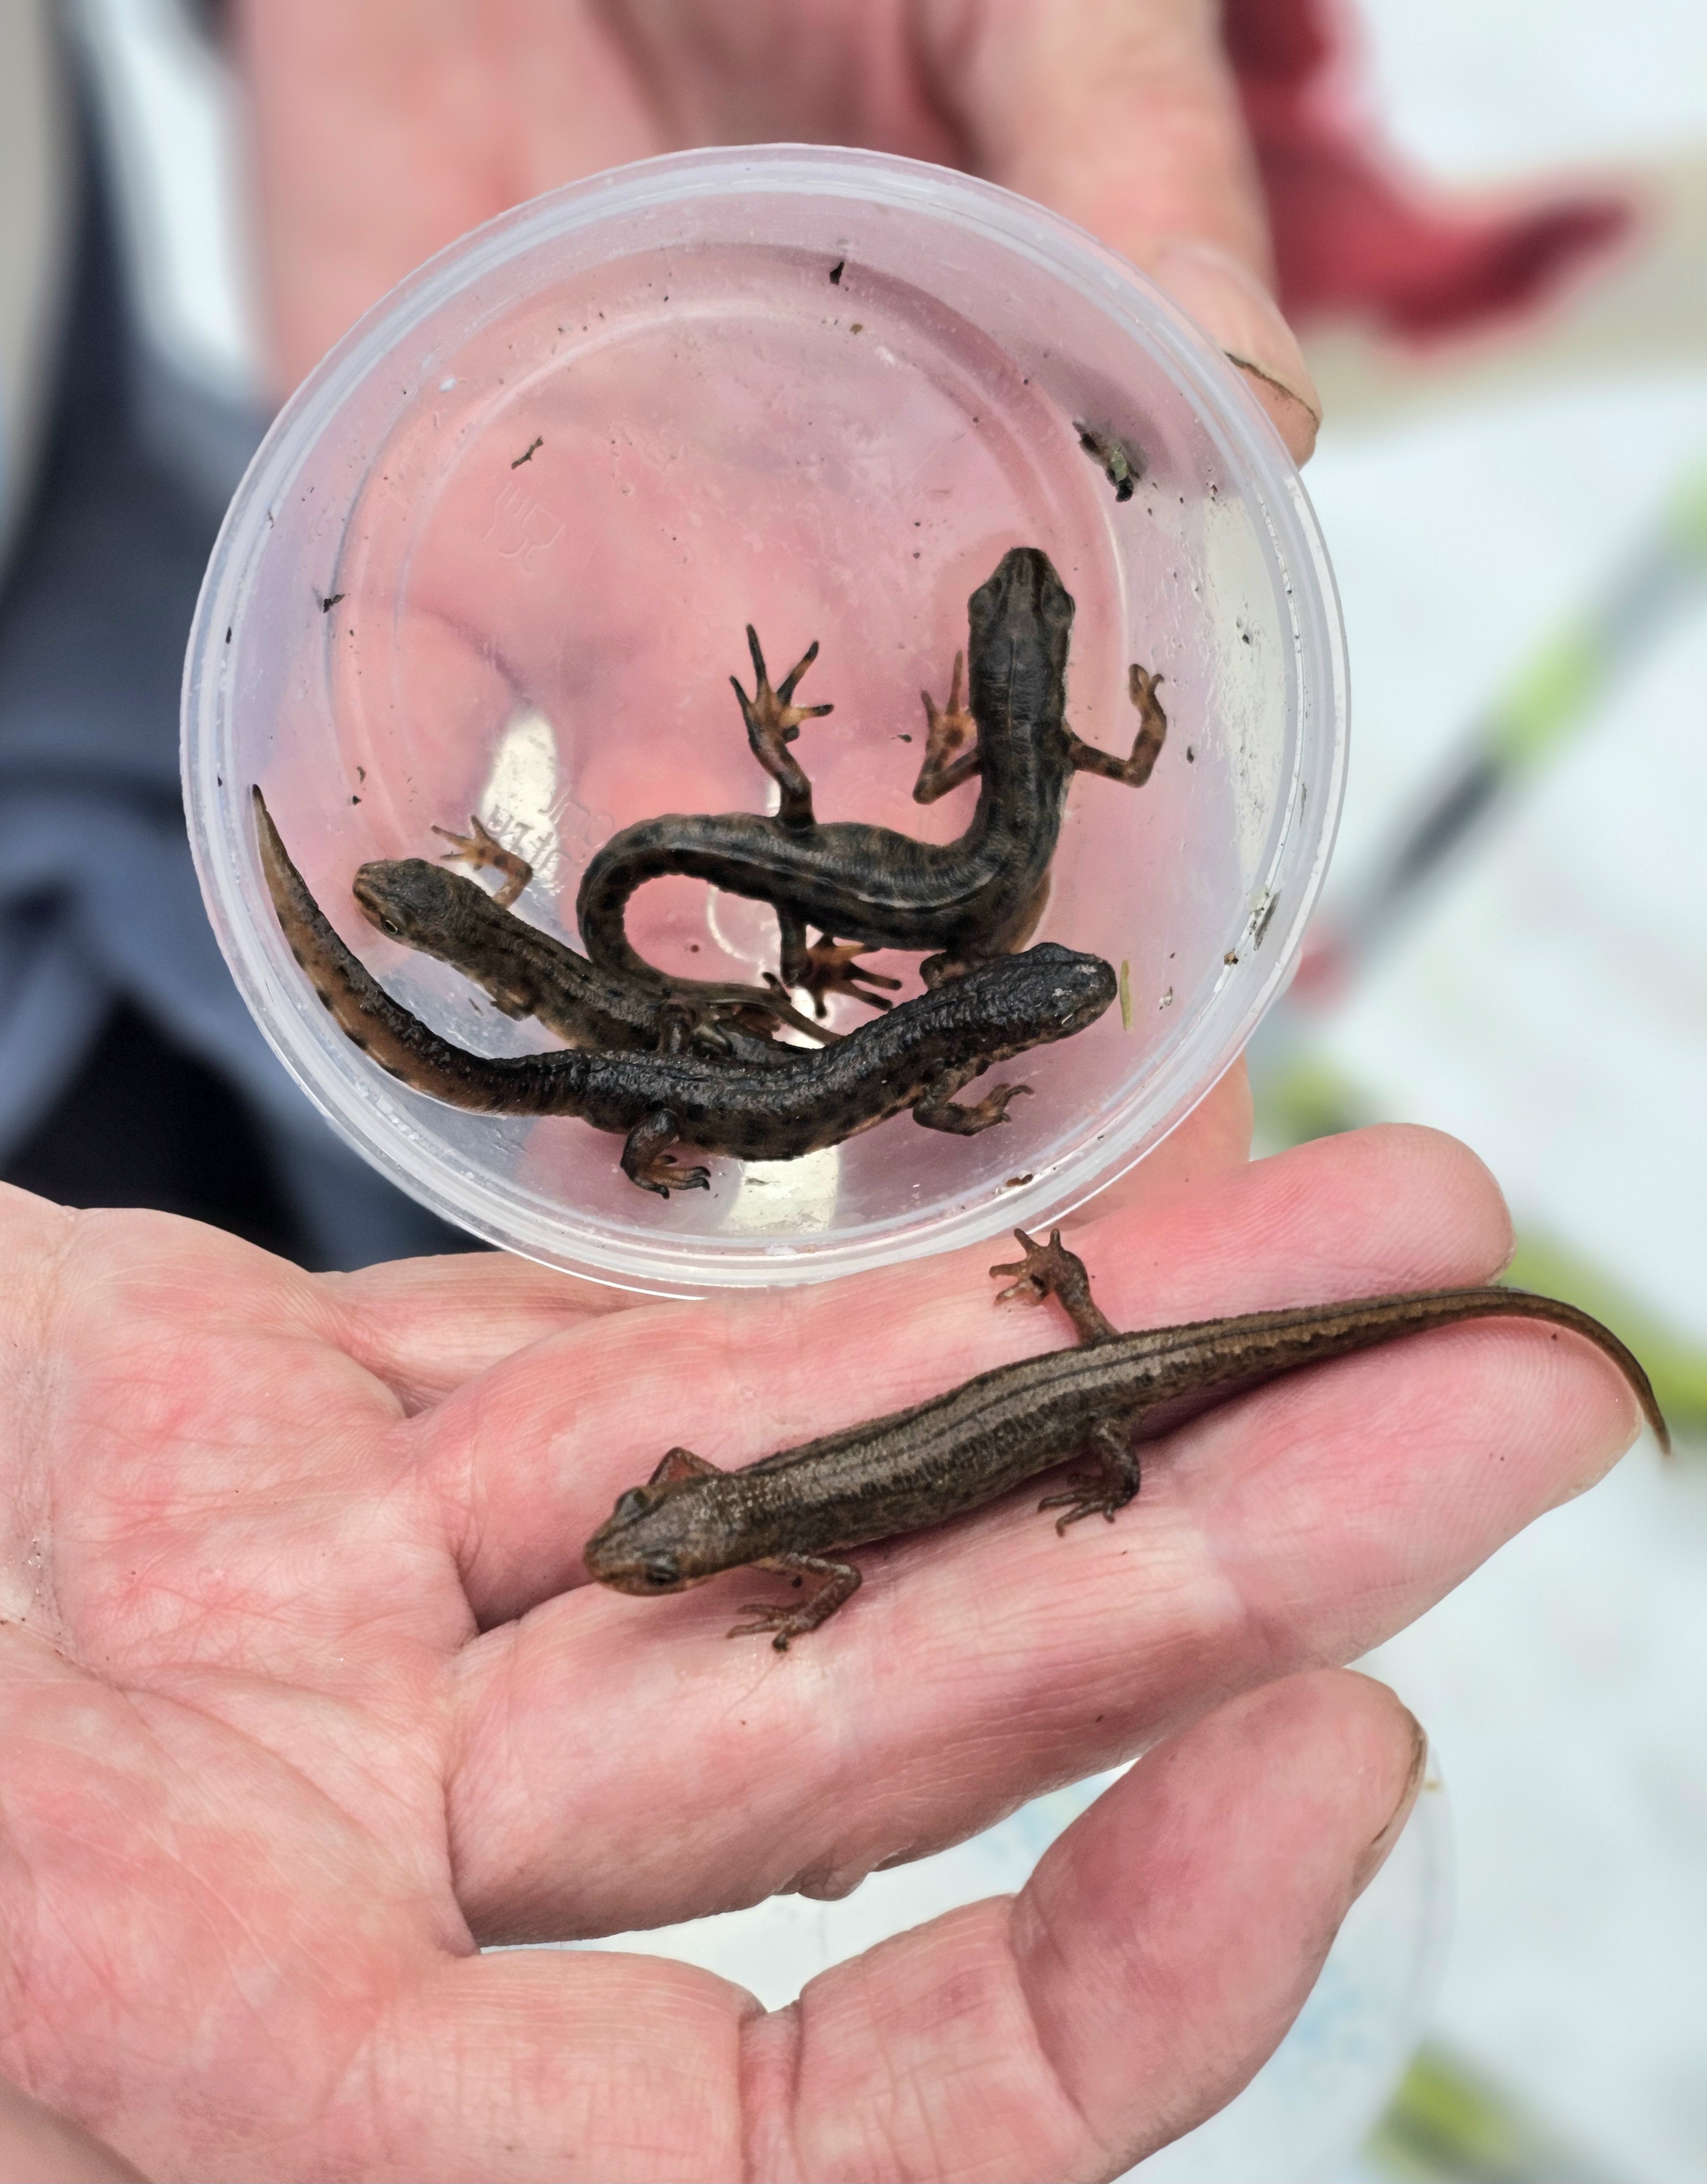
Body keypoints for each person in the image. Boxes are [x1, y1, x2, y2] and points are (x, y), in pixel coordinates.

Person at [0, 4, 1644, 2178]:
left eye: (650, 1542)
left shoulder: (764, 1520)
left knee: (500, 1139)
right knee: (503, 1132)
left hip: (67, 470)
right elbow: (806, 1531)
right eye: (653, 1548)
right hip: (908, 1239)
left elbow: (811, 1528)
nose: (645, 1547)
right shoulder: (767, 1522)